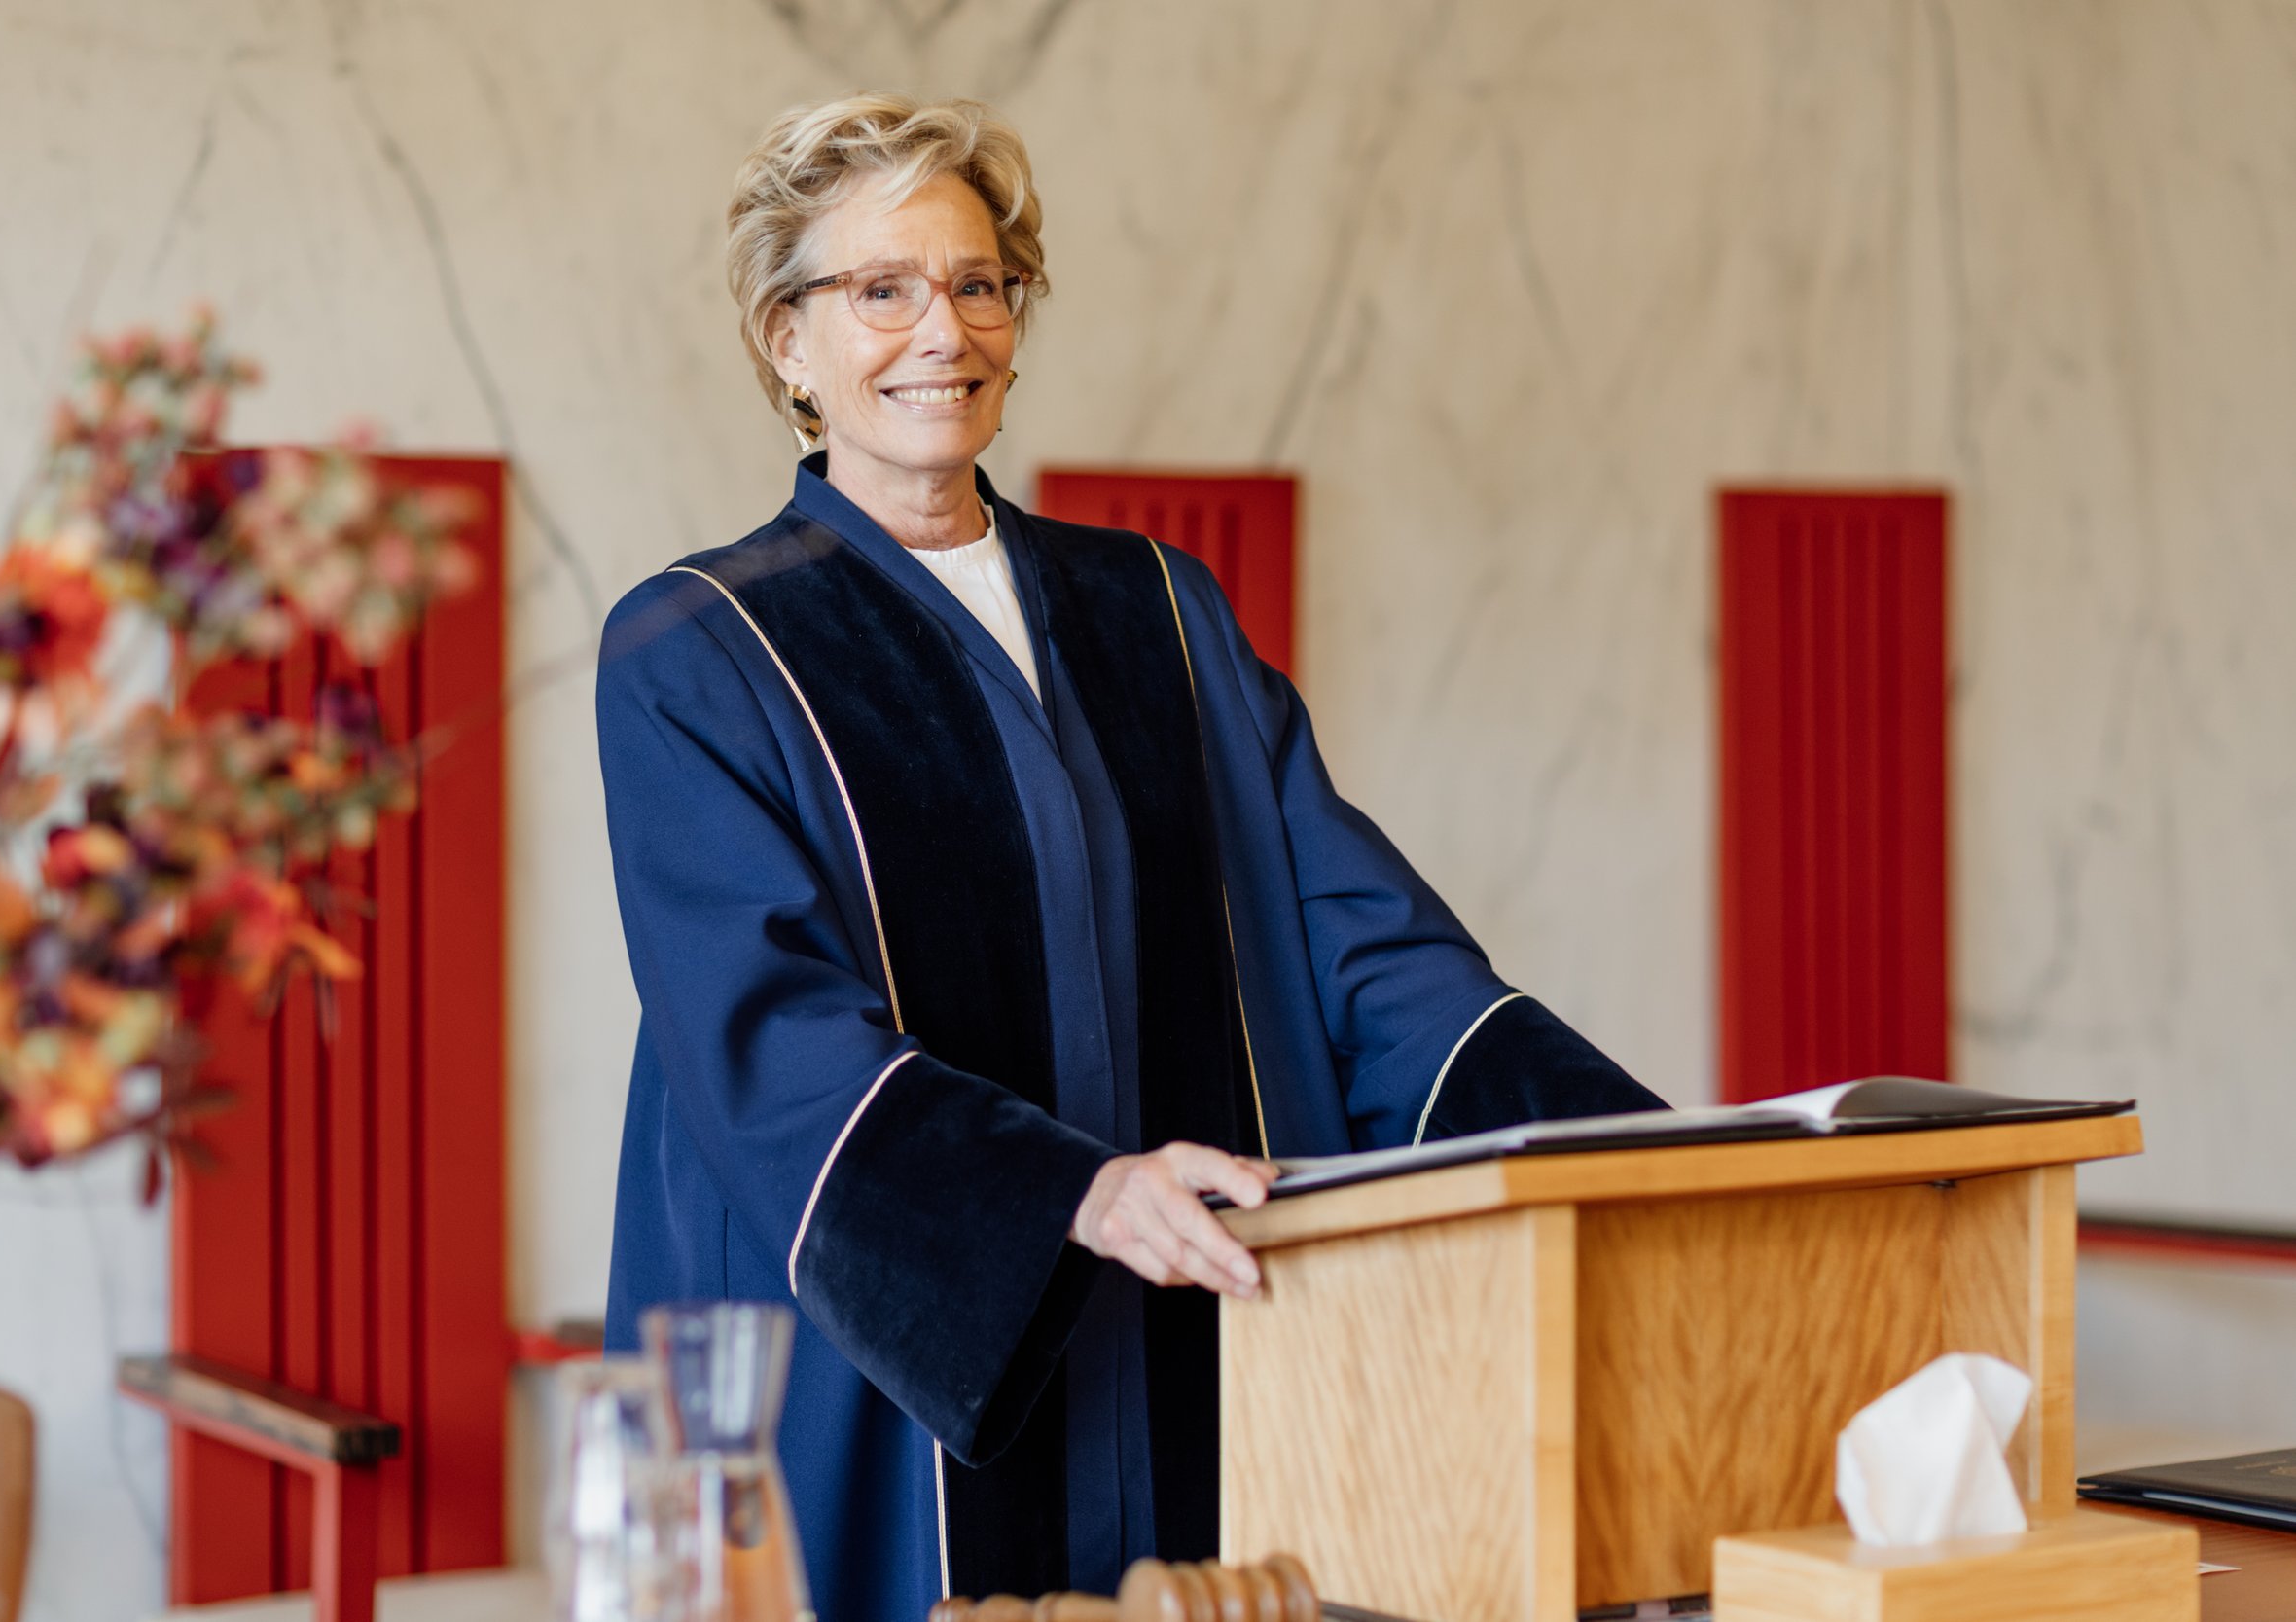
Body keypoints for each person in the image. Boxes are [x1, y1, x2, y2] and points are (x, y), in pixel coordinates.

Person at [596, 92, 1666, 1622]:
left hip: (1186, 1318)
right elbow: (761, 1031)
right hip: (893, 1382)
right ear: (789, 342)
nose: (942, 330)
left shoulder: (1156, 609)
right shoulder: (703, 648)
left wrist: (1617, 1144)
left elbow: (1350, 936)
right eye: (882, 290)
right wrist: (1067, 1198)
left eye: (979, 284)